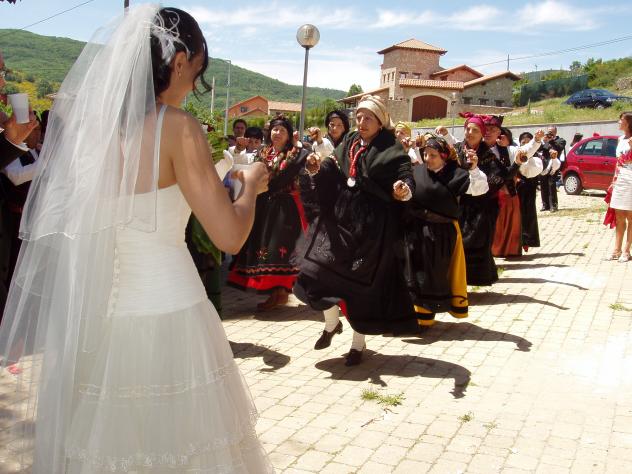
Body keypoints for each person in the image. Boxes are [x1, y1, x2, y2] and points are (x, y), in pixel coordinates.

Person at [0, 6, 274, 472]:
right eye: (197, 75)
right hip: (172, 311)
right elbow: (229, 235)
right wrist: (249, 186)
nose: (192, 87)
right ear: (180, 61)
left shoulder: (92, 132)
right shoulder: (178, 127)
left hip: (104, 323)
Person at [295, 95, 416, 366]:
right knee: (313, 271)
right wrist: (316, 167)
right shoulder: (349, 141)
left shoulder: (392, 148)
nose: (361, 122)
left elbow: (405, 175)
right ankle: (332, 323)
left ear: (380, 121)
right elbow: (333, 166)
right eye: (358, 117)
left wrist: (403, 189)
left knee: (361, 288)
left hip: (372, 228)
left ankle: (358, 344)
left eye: (368, 118)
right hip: (341, 219)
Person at [403, 133, 488, 330]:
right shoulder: (417, 172)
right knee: (415, 272)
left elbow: (480, 189)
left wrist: (474, 168)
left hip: (442, 234)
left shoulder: (456, 174)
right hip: (416, 230)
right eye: (425, 154)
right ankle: (415, 316)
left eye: (433, 155)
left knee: (434, 274)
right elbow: (408, 193)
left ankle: (426, 317)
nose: (427, 159)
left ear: (443, 156)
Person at [228, 115, 310, 311]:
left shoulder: (297, 154)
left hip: (286, 209)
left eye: (282, 130)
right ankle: (277, 293)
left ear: (289, 134)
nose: (277, 133)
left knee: (280, 249)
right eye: (274, 129)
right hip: (265, 205)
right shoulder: (262, 153)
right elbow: (244, 167)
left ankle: (280, 292)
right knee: (265, 247)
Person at [491, 126, 544, 257]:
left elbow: (527, 151)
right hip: (493, 194)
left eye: (502, 136)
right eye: (497, 136)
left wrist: (536, 140)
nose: (499, 139)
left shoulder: (513, 150)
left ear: (508, 138)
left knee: (512, 224)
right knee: (496, 224)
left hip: (510, 193)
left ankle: (510, 250)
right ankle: (495, 250)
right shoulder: (489, 151)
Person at [607, 112, 632, 262]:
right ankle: (616, 250)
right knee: (619, 215)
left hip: (631, 178)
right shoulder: (620, 139)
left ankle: (626, 251)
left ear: (628, 122)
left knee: (630, 216)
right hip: (621, 178)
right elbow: (618, 162)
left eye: (621, 120)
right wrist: (613, 181)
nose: (618, 122)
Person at [516, 131, 544, 252]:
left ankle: (527, 240)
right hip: (517, 189)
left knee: (528, 214)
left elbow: (531, 172)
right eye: (523, 143)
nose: (526, 145)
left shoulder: (537, 159)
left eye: (528, 142)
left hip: (529, 189)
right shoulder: (515, 154)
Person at [539, 126, 566, 212]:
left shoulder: (560, 140)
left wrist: (551, 140)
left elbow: (559, 147)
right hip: (544, 165)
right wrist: (543, 141)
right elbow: (540, 149)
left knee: (551, 184)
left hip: (554, 165)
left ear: (555, 132)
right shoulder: (545, 140)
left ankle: (553, 205)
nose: (550, 133)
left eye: (552, 131)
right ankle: (545, 204)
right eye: (549, 131)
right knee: (543, 184)